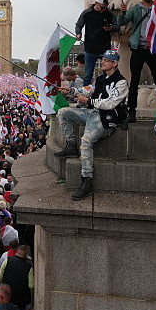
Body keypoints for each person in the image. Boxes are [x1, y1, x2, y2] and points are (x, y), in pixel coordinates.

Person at [56, 50, 128, 201]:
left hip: (106, 118)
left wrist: (88, 102)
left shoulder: (121, 82)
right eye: (102, 59)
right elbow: (87, 90)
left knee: (86, 142)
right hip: (92, 112)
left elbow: (111, 103)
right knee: (62, 113)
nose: (103, 62)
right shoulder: (100, 79)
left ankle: (87, 180)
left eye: (107, 60)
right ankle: (70, 145)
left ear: (115, 63)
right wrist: (71, 90)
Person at [117, 0, 156, 122]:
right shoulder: (136, 9)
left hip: (153, 49)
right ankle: (132, 110)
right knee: (134, 81)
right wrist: (122, 12)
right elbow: (122, 22)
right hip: (138, 48)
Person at [74, 0, 117, 84]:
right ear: (96, 3)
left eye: (106, 7)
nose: (104, 10)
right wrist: (78, 33)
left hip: (105, 49)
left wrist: (111, 28)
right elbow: (78, 25)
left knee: (108, 73)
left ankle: (107, 92)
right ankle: (84, 94)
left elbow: (117, 26)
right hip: (90, 49)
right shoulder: (87, 13)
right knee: (88, 75)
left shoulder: (109, 14)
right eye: (102, 7)